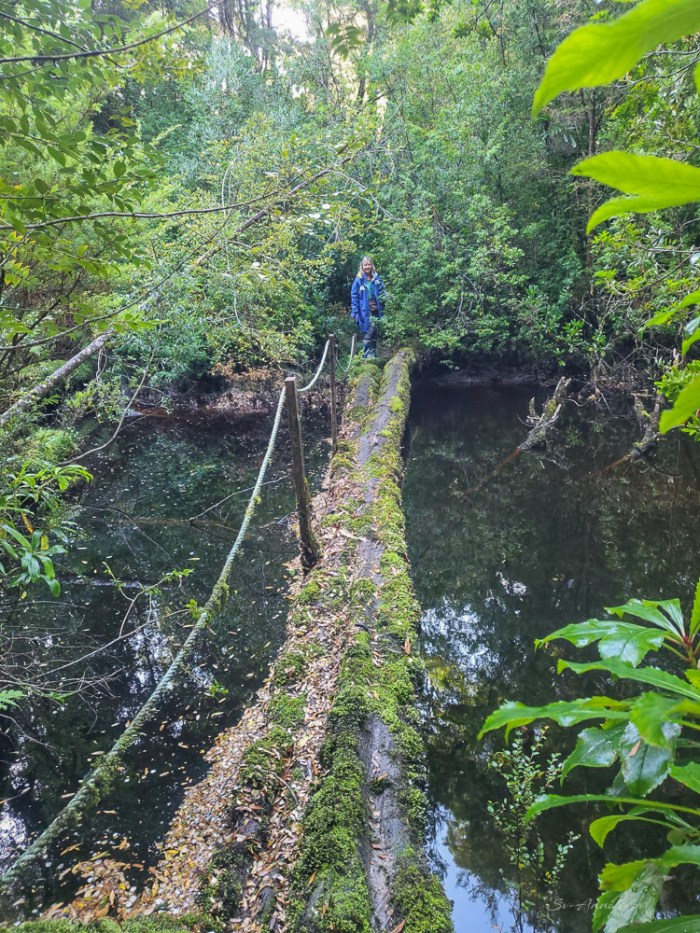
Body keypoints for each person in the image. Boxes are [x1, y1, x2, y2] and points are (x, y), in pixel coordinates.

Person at [350, 256, 385, 359]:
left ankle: (372, 353)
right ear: (362, 266)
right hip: (365, 309)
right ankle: (366, 354)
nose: (367, 267)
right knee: (370, 329)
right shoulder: (358, 279)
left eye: (369, 264)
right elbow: (354, 295)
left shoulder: (376, 277)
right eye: (365, 265)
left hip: (377, 307)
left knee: (375, 330)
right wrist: (355, 312)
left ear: (372, 265)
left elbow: (382, 290)